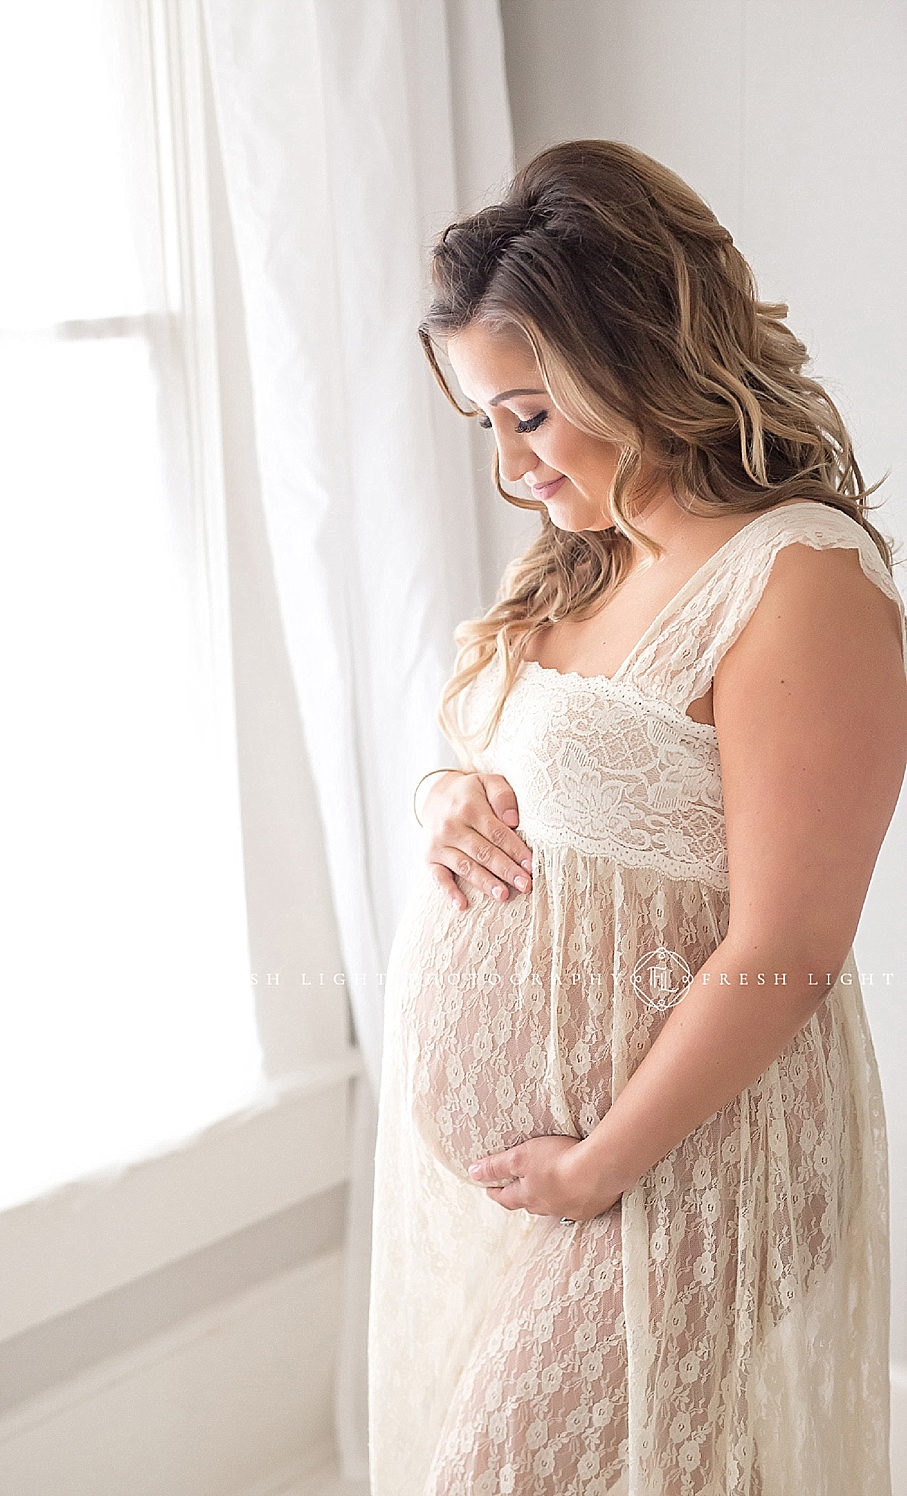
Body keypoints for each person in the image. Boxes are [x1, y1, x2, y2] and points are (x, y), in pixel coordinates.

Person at [369, 139, 907, 1494]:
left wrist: (601, 1166)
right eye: (484, 422)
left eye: (532, 413)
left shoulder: (798, 579)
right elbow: (535, 783)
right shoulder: (588, 554)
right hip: (570, 1182)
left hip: (693, 1162)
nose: (510, 465)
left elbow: (792, 946)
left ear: (638, 356)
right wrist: (447, 794)